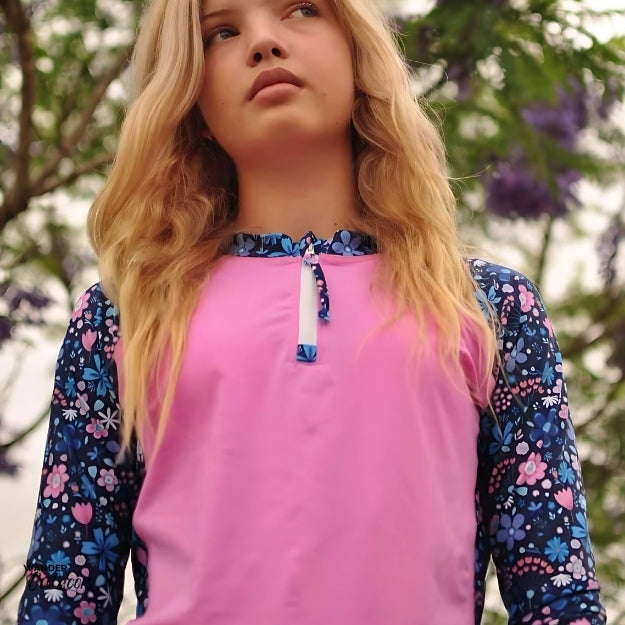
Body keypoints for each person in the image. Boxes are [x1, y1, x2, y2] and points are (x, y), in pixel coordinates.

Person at [15, 0, 606, 623]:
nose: (264, 42)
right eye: (221, 31)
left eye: (300, 8)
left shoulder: (489, 309)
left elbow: (556, 595)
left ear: (356, 47)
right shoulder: (125, 317)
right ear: (190, 94)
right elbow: (65, 594)